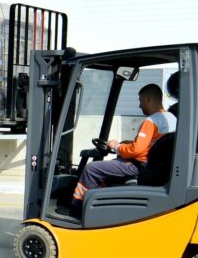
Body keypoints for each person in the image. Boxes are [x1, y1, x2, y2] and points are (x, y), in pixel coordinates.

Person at [71, 84, 175, 212]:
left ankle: (77, 207)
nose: (139, 106)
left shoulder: (152, 120)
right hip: (156, 166)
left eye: (140, 101)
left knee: (91, 169)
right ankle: (101, 206)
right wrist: (127, 143)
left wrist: (117, 146)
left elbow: (137, 150)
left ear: (147, 99)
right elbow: (154, 144)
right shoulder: (172, 118)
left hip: (140, 166)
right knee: (108, 169)